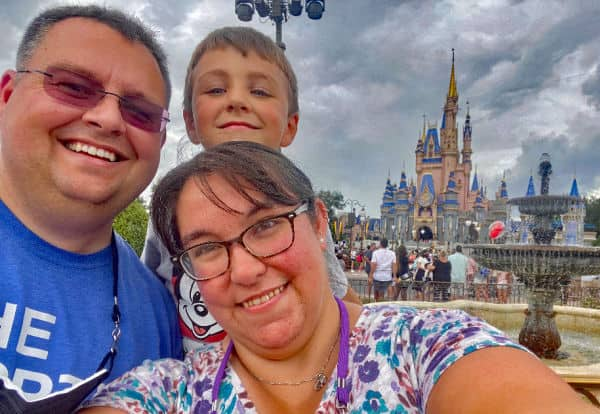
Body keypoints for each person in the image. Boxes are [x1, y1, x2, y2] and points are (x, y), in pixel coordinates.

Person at [79, 142, 598, 414]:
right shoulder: (170, 391)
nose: (245, 268)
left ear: (320, 224)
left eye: (264, 226)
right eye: (207, 247)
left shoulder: (422, 346)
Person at [0, 5, 182, 411]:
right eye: (73, 86)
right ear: (7, 95)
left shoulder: (160, 319)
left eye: (140, 112)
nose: (108, 119)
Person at [140, 26, 360, 350]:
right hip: (198, 389)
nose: (237, 100)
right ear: (190, 122)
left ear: (289, 126)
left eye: (259, 92)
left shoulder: (294, 206)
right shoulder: (173, 208)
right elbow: (148, 296)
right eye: (215, 90)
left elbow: (342, 301)